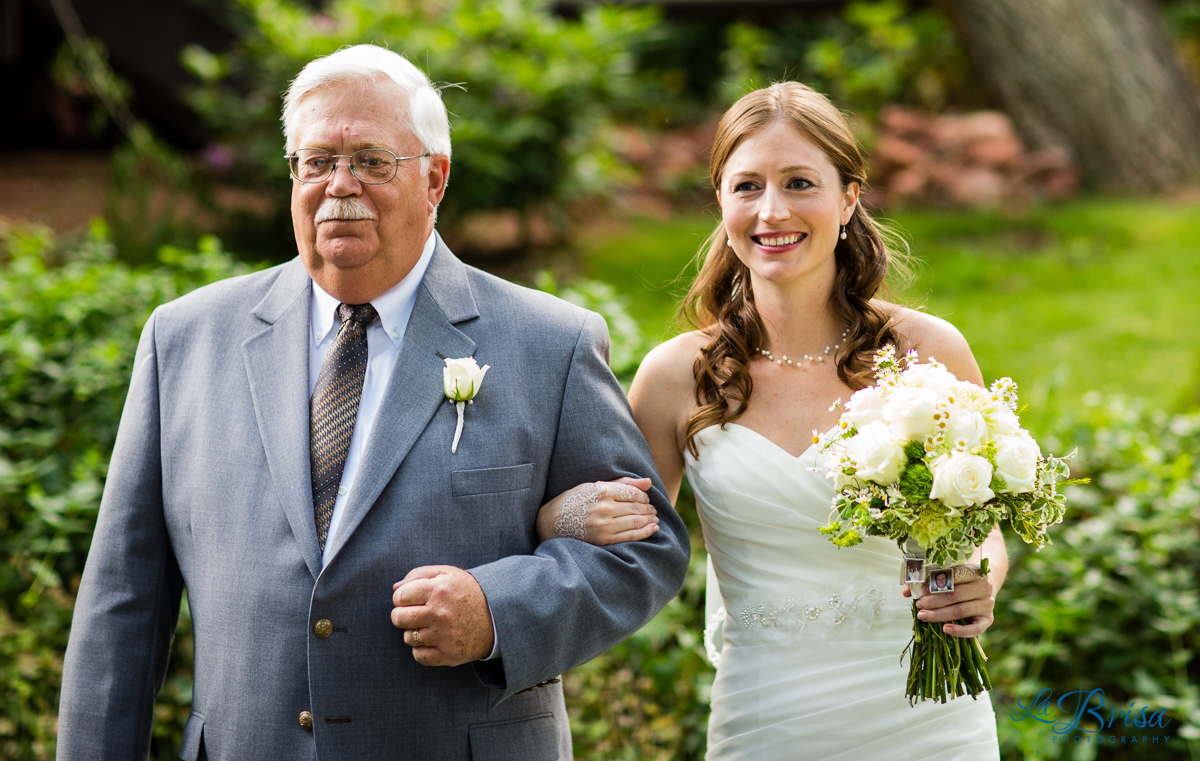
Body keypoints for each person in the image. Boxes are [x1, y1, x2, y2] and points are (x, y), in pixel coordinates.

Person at [55, 44, 690, 761]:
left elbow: (646, 552)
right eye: (316, 161)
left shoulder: (550, 344)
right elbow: (122, 602)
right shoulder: (184, 341)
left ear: (435, 179)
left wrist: (498, 614)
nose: (339, 185)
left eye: (371, 161)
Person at [543, 82, 1005, 759]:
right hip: (766, 716)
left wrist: (975, 582)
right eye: (747, 186)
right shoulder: (675, 377)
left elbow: (980, 523)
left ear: (849, 198)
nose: (772, 211)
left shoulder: (927, 352)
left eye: (798, 183)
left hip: (927, 716)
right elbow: (618, 533)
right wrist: (563, 515)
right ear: (721, 201)